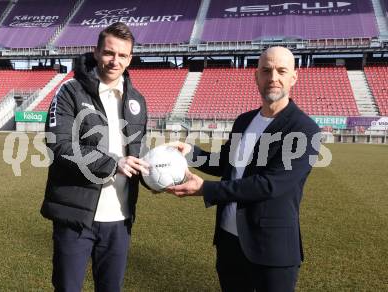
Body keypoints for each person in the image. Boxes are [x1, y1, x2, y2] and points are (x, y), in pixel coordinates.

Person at [167, 46, 320, 292]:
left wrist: (205, 189)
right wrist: (192, 153)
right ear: (256, 76)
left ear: (294, 77)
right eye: (266, 70)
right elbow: (228, 163)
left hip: (272, 250)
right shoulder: (244, 120)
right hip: (229, 243)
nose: (273, 78)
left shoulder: (304, 129)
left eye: (281, 71)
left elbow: (270, 184)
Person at [41, 22, 149, 292]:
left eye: (122, 55)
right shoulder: (69, 92)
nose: (115, 61)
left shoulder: (137, 100)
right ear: (96, 52)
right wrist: (113, 163)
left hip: (120, 219)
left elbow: (137, 153)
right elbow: (60, 147)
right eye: (109, 53)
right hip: (76, 217)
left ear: (130, 58)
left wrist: (161, 166)